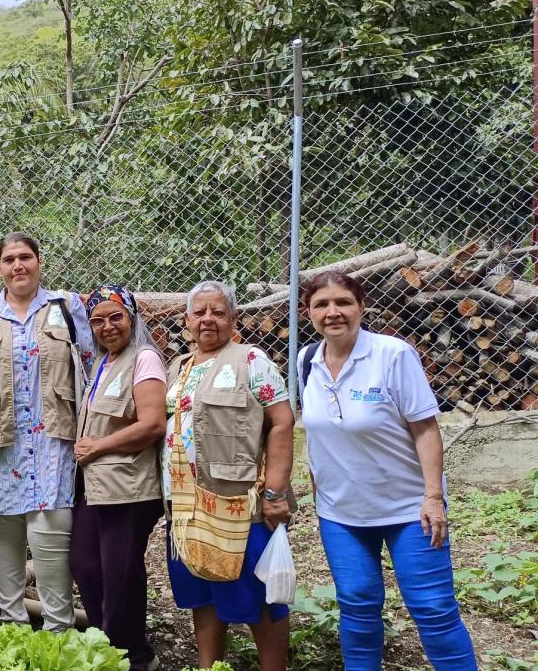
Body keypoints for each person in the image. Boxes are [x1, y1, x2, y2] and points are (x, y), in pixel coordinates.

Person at [300, 271, 476, 670]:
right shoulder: (306, 359)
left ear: (361, 307)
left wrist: (433, 496)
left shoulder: (392, 354)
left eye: (343, 302)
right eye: (321, 305)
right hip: (341, 514)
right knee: (357, 608)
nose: (333, 312)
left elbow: (426, 428)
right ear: (308, 313)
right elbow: (319, 433)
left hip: (409, 510)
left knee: (432, 609)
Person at [0, 232, 93, 633]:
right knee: (2, 541)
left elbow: (91, 364)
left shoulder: (66, 308)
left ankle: (57, 630)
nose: (18, 266)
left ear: (39, 261)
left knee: (50, 540)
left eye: (25, 257)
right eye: (10, 259)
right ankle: (11, 624)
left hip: (53, 445)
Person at [165, 280, 294, 671]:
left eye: (218, 312)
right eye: (199, 312)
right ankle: (210, 666)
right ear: (186, 319)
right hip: (186, 506)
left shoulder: (251, 360)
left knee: (259, 595)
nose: (208, 319)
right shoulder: (180, 366)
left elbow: (282, 422)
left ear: (233, 318)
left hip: (239, 505)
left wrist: (274, 492)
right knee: (202, 592)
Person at [67, 284, 166, 670]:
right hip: (96, 487)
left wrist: (99, 447)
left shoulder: (144, 359)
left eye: (115, 317)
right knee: (85, 563)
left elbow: (153, 423)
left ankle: (133, 658)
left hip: (129, 487)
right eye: (97, 320)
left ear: (132, 317)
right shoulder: (104, 362)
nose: (107, 326)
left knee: (120, 573)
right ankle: (113, 642)